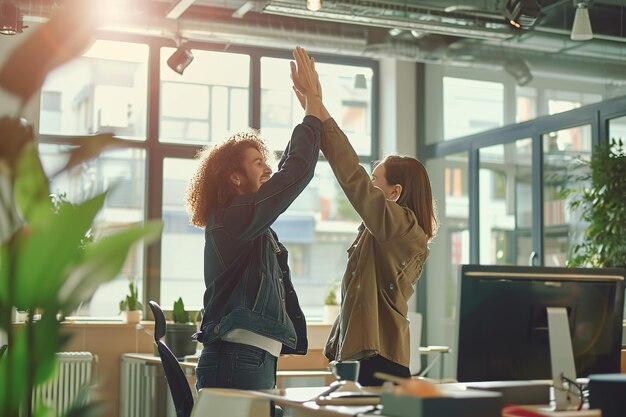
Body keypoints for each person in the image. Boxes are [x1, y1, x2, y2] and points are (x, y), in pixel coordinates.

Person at [292, 48, 437, 387]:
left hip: (382, 360)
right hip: (371, 357)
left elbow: (352, 178)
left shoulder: (400, 228)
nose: (369, 188)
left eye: (376, 183)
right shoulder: (383, 230)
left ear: (395, 192)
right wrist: (316, 107)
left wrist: (319, 110)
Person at [185, 46, 328, 392]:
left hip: (248, 357)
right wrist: (312, 111)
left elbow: (283, 176)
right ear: (234, 177)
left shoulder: (245, 221)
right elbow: (293, 176)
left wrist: (310, 110)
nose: (268, 168)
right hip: (239, 358)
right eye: (257, 163)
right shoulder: (235, 218)